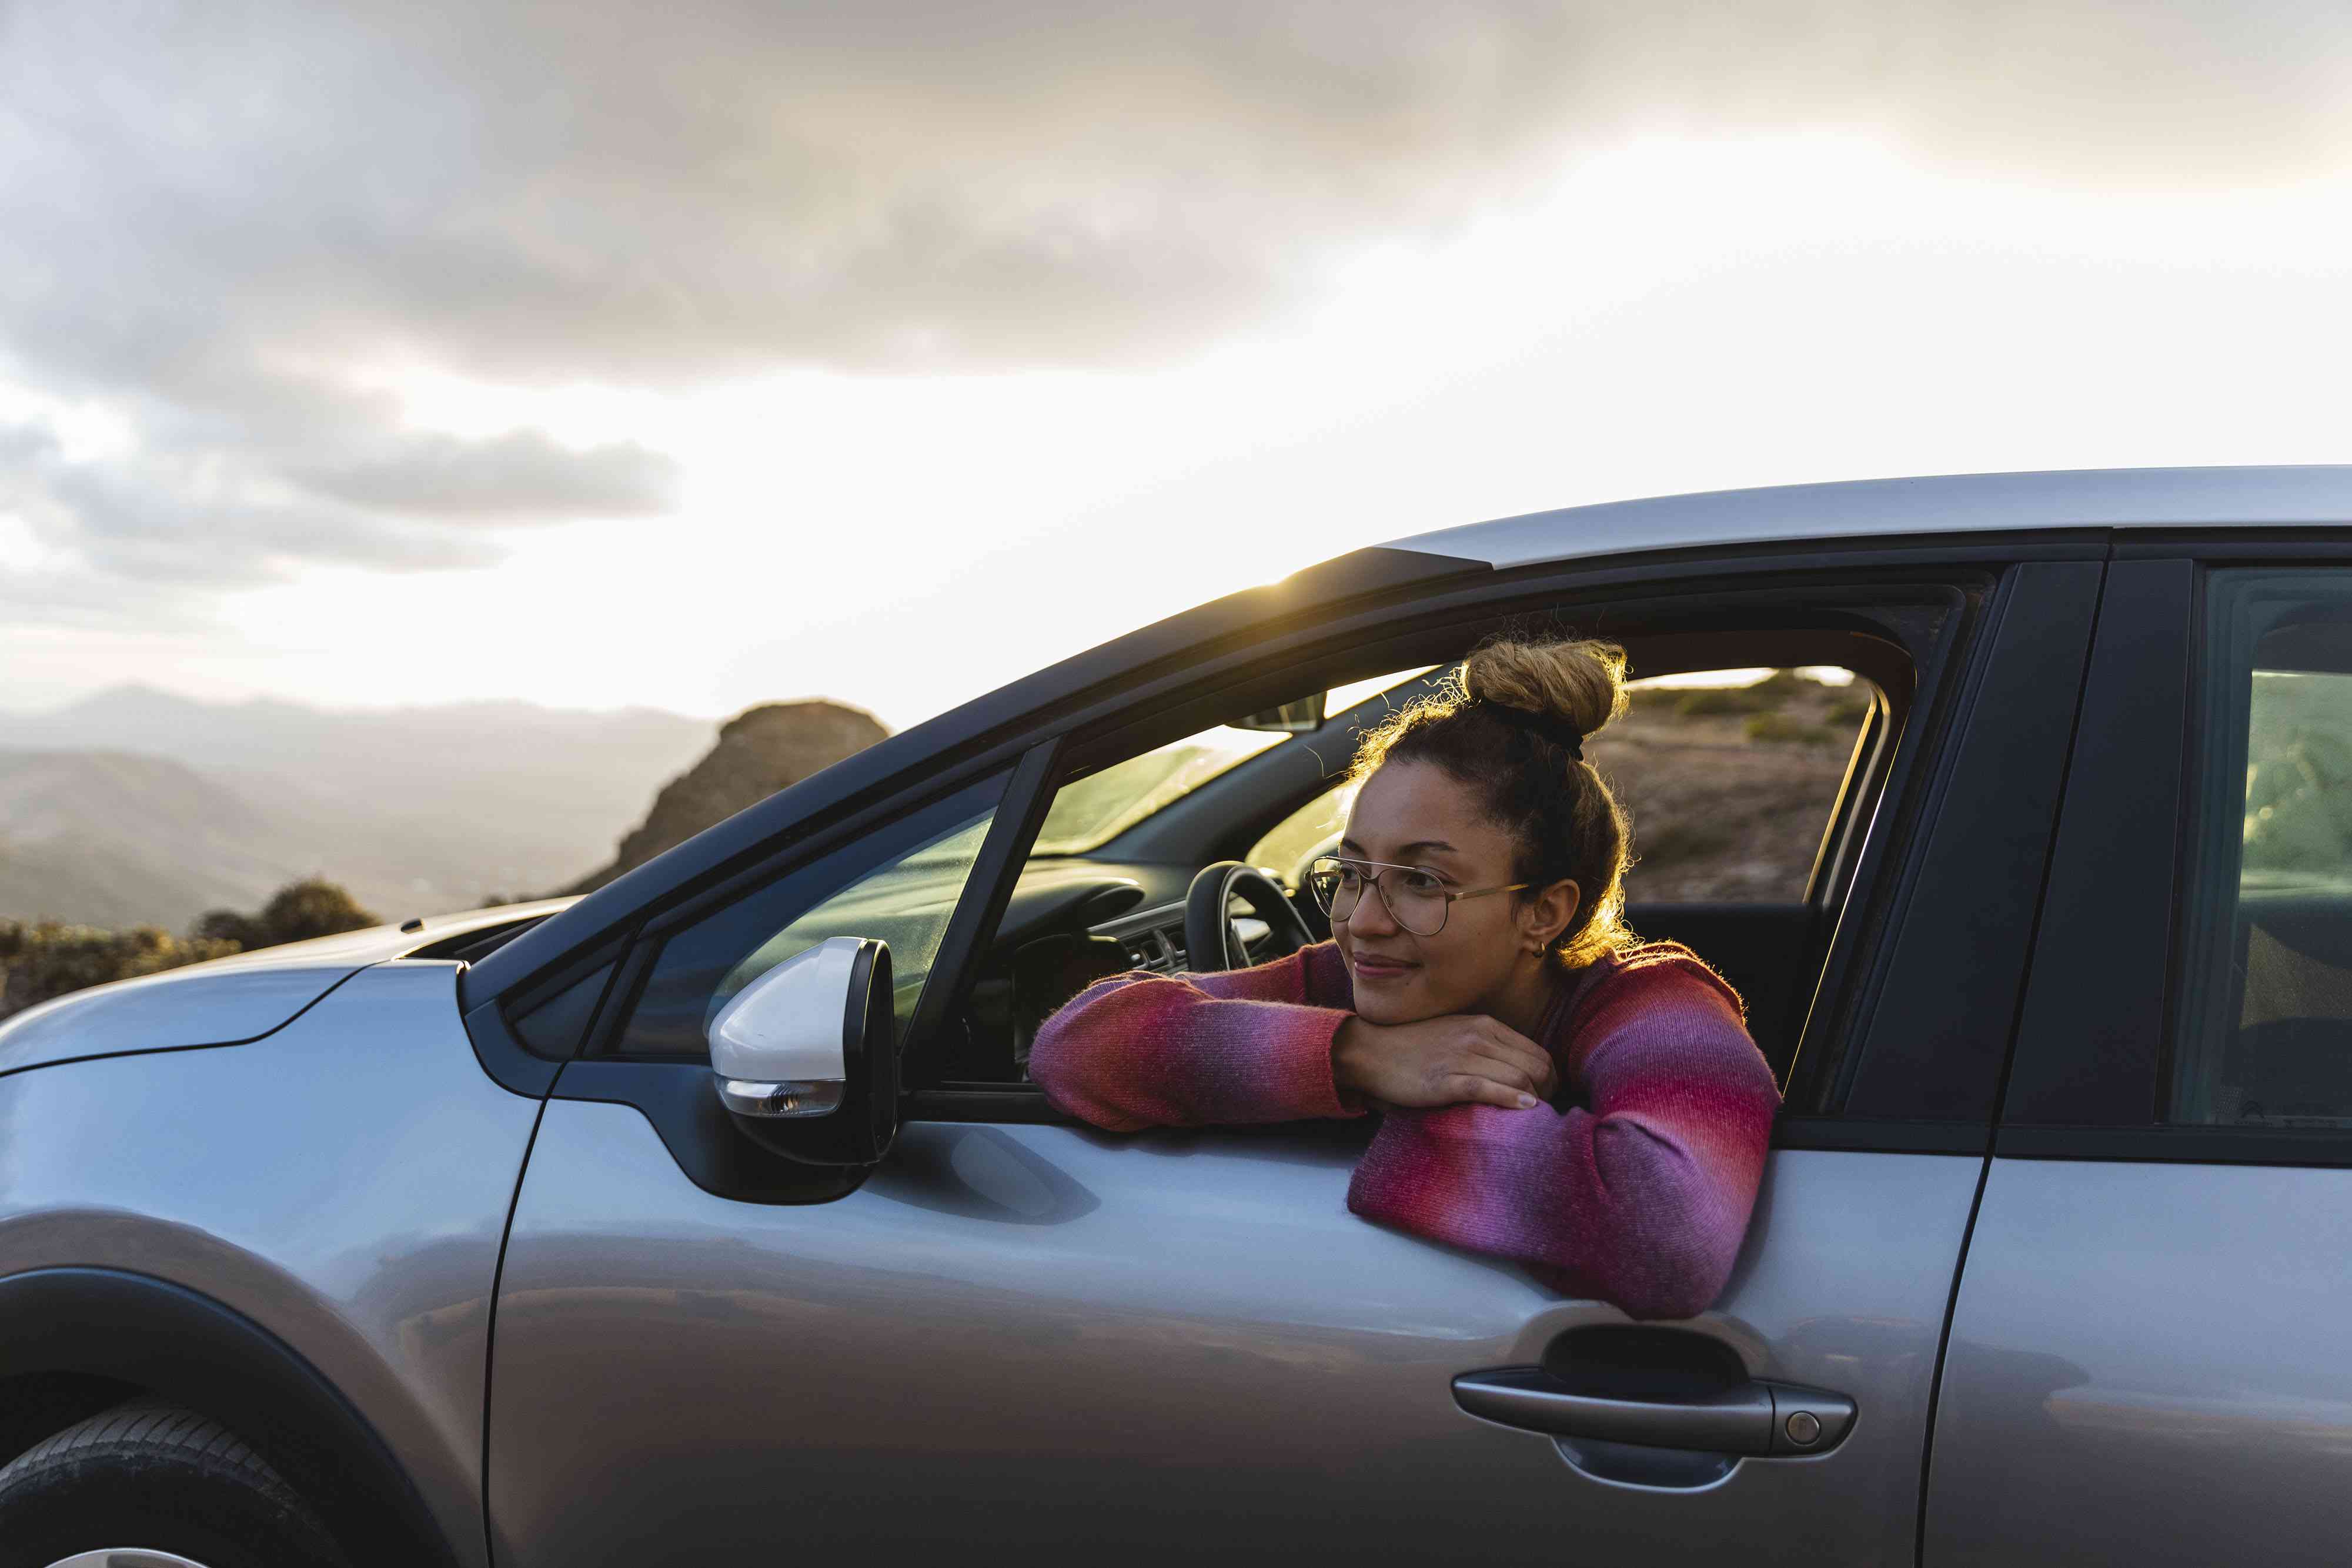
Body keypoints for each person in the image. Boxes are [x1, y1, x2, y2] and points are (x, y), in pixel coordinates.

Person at [1027, 636, 1780, 1320]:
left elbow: (1667, 1239)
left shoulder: (1659, 1005)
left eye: (1421, 881)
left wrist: (1430, 1095)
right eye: (1352, 872)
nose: (1362, 921)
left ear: (1544, 913)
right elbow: (1075, 1047)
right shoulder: (1352, 984)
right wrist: (1361, 1059)